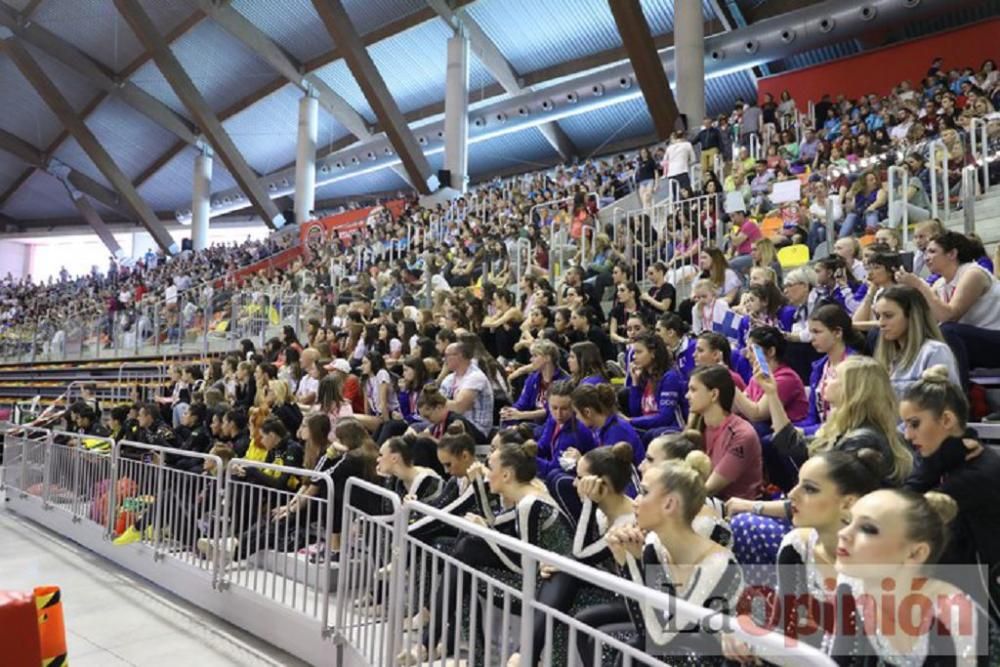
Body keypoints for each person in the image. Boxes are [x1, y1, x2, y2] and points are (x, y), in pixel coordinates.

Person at [575, 458, 744, 666]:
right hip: (675, 650)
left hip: (711, 658)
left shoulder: (717, 564)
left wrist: (631, 564)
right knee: (622, 643)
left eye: (644, 492)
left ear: (669, 504)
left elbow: (662, 639)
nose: (635, 500)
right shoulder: (655, 545)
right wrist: (630, 560)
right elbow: (645, 624)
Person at [721, 449, 886, 661]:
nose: (791, 495)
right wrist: (745, 635)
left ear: (847, 503)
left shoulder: (875, 567)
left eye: (809, 489)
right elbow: (783, 628)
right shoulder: (797, 545)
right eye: (798, 483)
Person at [828, 489, 994, 664]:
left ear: (915, 553)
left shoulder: (952, 613)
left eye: (868, 529)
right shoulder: (850, 583)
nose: (843, 533)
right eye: (847, 521)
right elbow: (839, 657)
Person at [901, 367, 1000, 605]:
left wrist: (936, 462)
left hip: (981, 602)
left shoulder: (977, 473)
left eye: (914, 424)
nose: (907, 435)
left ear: (946, 420)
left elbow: (900, 512)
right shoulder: (954, 458)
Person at [897, 231, 1000, 384]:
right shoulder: (940, 283)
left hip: (994, 339)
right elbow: (923, 318)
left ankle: (957, 399)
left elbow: (949, 316)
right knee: (901, 331)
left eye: (932, 251)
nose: (926, 258)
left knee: (948, 331)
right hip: (971, 342)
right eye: (925, 252)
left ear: (952, 254)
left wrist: (919, 285)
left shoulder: (974, 273)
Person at [686, 365, 762, 501]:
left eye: (693, 390)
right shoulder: (697, 425)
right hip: (704, 503)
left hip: (734, 510)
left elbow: (710, 488)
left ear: (714, 394)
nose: (687, 396)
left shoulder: (741, 434)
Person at [872, 285, 959, 398]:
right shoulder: (886, 358)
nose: (881, 323)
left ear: (912, 316)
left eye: (888, 316)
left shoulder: (935, 351)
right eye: (878, 316)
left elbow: (942, 402)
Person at [625, 332, 686, 440]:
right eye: (634, 352)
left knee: (647, 434)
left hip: (670, 431)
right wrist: (635, 382)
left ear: (653, 353)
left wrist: (630, 421)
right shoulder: (645, 376)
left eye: (639, 352)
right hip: (651, 428)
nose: (634, 357)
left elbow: (665, 418)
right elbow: (635, 412)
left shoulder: (670, 378)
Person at [536, 380, 597, 479]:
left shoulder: (576, 431)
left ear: (573, 407)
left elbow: (552, 468)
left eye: (564, 409)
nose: (558, 414)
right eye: (554, 408)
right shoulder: (553, 419)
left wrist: (527, 459)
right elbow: (543, 446)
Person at [501, 340, 567, 424]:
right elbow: (522, 403)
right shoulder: (532, 378)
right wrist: (511, 411)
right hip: (531, 421)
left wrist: (522, 415)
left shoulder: (564, 381)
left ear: (547, 358)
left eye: (535, 356)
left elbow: (549, 411)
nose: (531, 359)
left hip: (551, 423)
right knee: (506, 419)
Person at [439, 341, 495, 439]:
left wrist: (442, 404)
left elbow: (459, 407)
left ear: (459, 356)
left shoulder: (476, 376)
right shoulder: (449, 379)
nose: (444, 359)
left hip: (477, 429)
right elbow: (434, 405)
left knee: (451, 417)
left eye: (447, 355)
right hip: (454, 425)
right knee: (417, 427)